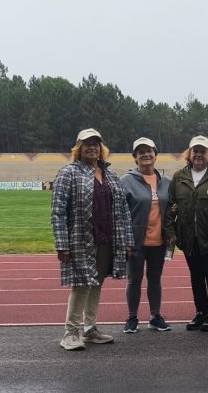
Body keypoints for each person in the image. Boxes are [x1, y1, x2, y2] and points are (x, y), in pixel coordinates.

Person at [52, 128, 134, 350]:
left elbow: (123, 210)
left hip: (107, 238)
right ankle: (70, 333)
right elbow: (58, 212)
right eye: (87, 144)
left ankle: (90, 329)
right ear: (78, 148)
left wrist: (126, 240)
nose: (92, 147)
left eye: (96, 144)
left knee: (97, 283)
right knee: (81, 285)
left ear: (101, 148)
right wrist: (62, 244)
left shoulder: (110, 175)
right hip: (80, 240)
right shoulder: (68, 173)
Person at [166, 136, 208, 332]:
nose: (198, 154)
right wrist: (170, 230)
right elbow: (170, 205)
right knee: (195, 276)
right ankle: (200, 311)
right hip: (187, 237)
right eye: (195, 150)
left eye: (203, 151)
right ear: (190, 153)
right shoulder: (179, 177)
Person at [121, 137, 171, 333]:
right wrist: (125, 240)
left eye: (149, 151)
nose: (146, 155)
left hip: (159, 240)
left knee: (155, 279)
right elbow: (119, 212)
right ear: (135, 158)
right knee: (134, 279)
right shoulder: (125, 181)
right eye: (140, 152)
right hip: (135, 241)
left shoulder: (166, 182)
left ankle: (154, 316)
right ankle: (132, 317)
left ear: (156, 155)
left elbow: (172, 209)